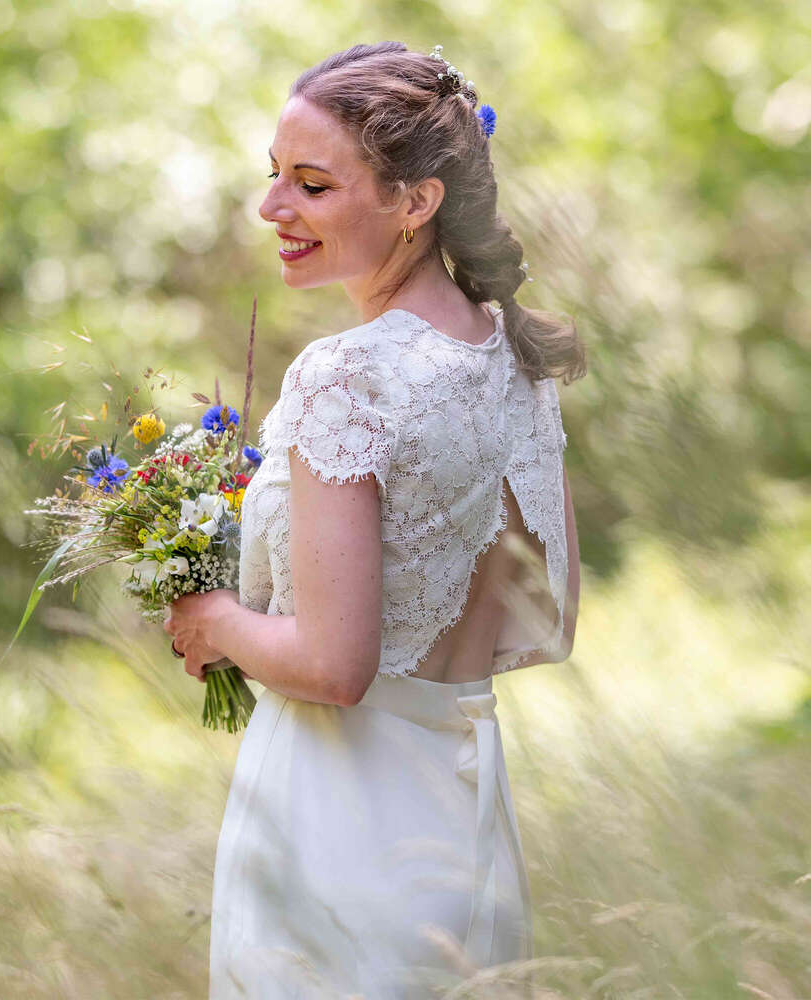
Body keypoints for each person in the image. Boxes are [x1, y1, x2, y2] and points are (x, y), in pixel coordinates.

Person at [164, 40, 586, 998]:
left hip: (338, 834)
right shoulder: (513, 359)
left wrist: (215, 621)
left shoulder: (347, 375)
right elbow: (549, 624)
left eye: (313, 184)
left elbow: (334, 667)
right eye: (275, 176)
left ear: (414, 200)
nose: (274, 208)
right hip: (465, 825)